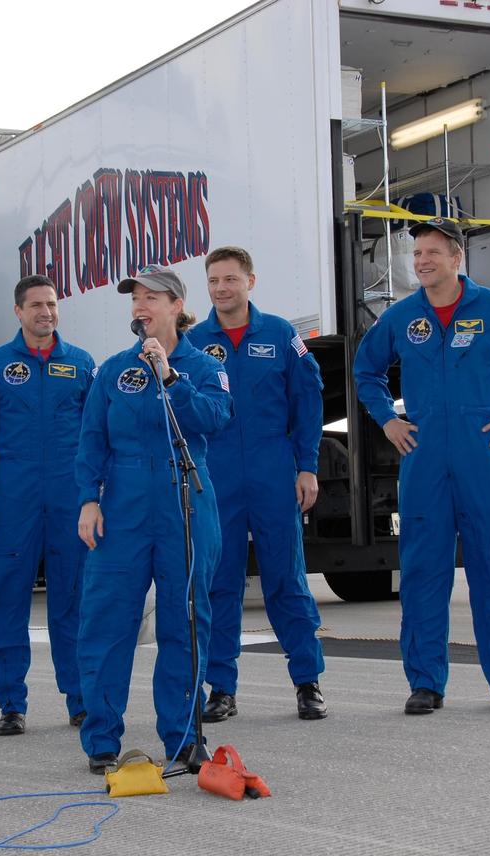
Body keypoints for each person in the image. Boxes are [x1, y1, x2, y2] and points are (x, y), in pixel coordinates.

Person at [353, 217, 490, 715]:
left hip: (484, 454)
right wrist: (388, 421)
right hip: (423, 458)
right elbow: (366, 371)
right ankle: (425, 683)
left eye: (432, 253)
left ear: (456, 258)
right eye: (417, 254)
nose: (422, 261)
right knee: (424, 572)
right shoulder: (402, 317)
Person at [75, 264, 232, 773]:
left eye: (152, 298)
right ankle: (101, 737)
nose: (140, 307)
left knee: (185, 621)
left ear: (177, 308)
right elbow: (91, 440)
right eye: (135, 298)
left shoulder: (204, 365)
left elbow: (214, 418)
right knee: (106, 619)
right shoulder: (112, 370)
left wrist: (170, 376)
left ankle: (183, 736)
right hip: (121, 501)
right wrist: (88, 499)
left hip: (184, 495)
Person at [189, 246, 327, 722]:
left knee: (286, 580)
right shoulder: (193, 342)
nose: (222, 288)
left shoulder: (281, 335)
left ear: (251, 280)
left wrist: (306, 466)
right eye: (214, 281)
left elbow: (308, 401)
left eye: (230, 279)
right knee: (219, 583)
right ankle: (221, 687)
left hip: (273, 473)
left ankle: (308, 682)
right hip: (216, 478)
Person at [0, 275, 96, 736]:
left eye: (52, 304)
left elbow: (99, 435)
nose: (46, 312)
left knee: (74, 599)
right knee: (4, 599)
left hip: (69, 494)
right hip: (13, 495)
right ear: (18, 311)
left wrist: (96, 496)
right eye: (36, 305)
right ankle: (10, 703)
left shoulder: (81, 364)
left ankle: (81, 700)